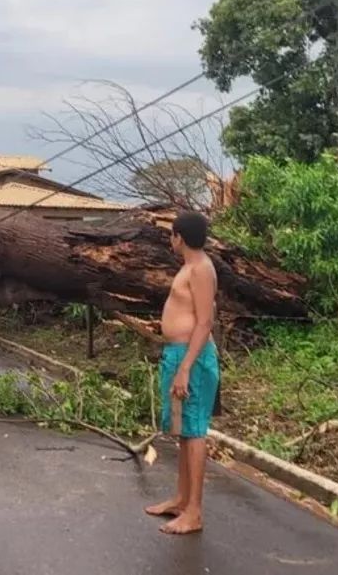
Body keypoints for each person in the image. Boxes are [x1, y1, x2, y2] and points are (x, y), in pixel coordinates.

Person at [145, 210, 220, 535]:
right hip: (177, 354)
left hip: (194, 358)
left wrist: (186, 368)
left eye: (171, 235)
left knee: (194, 431)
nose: (170, 240)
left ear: (179, 236)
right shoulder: (190, 267)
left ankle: (195, 512)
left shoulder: (202, 269)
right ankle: (181, 499)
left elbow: (205, 322)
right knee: (183, 429)